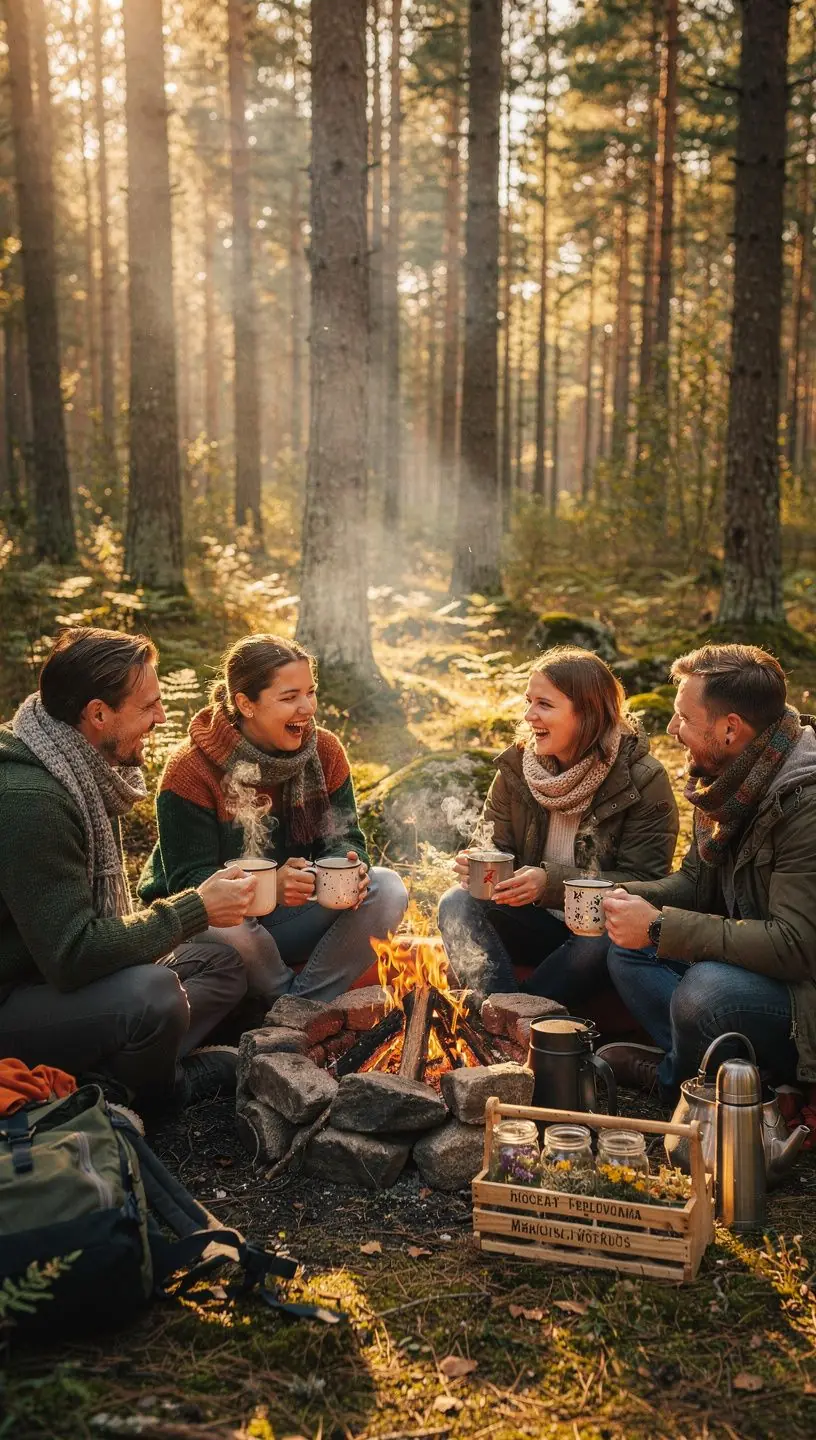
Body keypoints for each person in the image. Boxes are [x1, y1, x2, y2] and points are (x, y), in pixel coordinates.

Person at [0, 628, 258, 1107]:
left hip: (47, 981)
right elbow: (72, 955)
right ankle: (152, 1090)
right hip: (13, 998)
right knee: (156, 994)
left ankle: (111, 1064)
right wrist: (194, 909)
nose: (161, 718)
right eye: (148, 707)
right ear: (98, 714)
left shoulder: (74, 765)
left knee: (221, 963)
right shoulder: (32, 802)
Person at [139, 634, 408, 1003]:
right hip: (219, 932)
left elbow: (347, 839)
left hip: (295, 916)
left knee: (388, 889)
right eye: (289, 697)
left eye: (310, 692)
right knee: (229, 928)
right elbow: (189, 883)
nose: (307, 707)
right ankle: (291, 1006)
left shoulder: (324, 751)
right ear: (246, 704)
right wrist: (267, 888)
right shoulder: (190, 769)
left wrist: (349, 868)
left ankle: (302, 1006)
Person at [599, 643, 816, 1101]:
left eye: (684, 717)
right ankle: (714, 1067)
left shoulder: (804, 803)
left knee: (706, 991)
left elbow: (796, 946)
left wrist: (659, 926)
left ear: (730, 728)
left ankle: (675, 1080)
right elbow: (695, 886)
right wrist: (611, 894)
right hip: (753, 965)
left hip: (802, 997)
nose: (672, 728)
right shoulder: (725, 780)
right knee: (625, 948)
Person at [437, 647, 678, 1005]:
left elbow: (645, 882)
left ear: (588, 713)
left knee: (601, 935)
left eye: (544, 705)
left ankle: (516, 1015)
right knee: (456, 902)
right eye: (528, 701)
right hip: (533, 925)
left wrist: (550, 885)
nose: (528, 715)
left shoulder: (643, 779)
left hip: (595, 936)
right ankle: (504, 1016)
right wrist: (480, 868)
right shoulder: (517, 769)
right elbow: (496, 846)